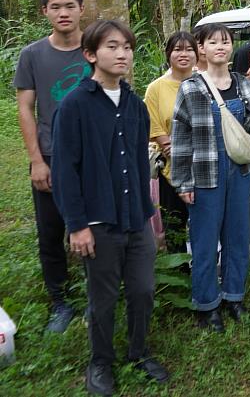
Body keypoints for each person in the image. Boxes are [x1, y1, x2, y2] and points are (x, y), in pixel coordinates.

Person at [51, 20, 169, 395]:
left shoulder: (135, 105)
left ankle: (138, 352)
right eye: (113, 47)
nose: (122, 54)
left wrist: (149, 216)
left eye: (128, 48)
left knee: (142, 290)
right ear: (91, 54)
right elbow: (65, 171)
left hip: (135, 218)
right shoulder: (74, 105)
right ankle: (100, 362)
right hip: (98, 222)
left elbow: (138, 164)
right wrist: (77, 225)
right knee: (102, 300)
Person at [171, 23, 250, 332]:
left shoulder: (245, 85)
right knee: (205, 242)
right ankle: (207, 305)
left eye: (226, 41)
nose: (221, 46)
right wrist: (182, 182)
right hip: (204, 175)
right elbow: (181, 139)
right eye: (213, 42)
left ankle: (234, 297)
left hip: (239, 172)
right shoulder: (191, 88)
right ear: (200, 49)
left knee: (237, 238)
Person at [14, 0, 91, 333]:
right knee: (51, 231)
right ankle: (60, 302)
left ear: (81, 9)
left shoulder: (96, 49)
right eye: (55, 7)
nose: (63, 13)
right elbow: (26, 109)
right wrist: (36, 160)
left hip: (93, 158)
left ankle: (96, 297)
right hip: (51, 154)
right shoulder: (32, 55)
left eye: (69, 6)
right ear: (45, 11)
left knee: (97, 226)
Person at [143, 31, 198, 253]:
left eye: (188, 49)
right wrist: (175, 152)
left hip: (203, 166)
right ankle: (180, 275)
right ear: (168, 54)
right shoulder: (156, 88)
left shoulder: (204, 83)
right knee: (174, 223)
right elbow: (154, 127)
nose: (183, 54)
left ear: (197, 53)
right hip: (171, 168)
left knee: (203, 223)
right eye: (177, 49)